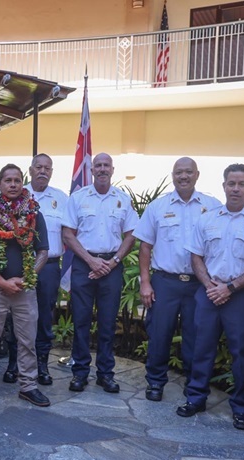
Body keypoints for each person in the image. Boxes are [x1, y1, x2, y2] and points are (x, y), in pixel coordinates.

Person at [178, 164, 244, 429]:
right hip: (208, 293)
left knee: (241, 353)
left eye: (241, 184)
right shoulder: (208, 218)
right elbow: (196, 255)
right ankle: (196, 398)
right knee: (201, 348)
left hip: (241, 296)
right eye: (231, 184)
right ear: (224, 186)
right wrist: (209, 285)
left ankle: (240, 407)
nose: (236, 189)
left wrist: (230, 288)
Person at [134, 157, 222, 402]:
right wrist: (145, 281)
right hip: (166, 281)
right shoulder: (158, 207)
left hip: (199, 283)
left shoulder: (213, 206)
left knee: (196, 336)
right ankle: (155, 382)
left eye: (188, 172)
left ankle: (193, 385)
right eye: (179, 172)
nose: (184, 176)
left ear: (197, 175)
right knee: (159, 334)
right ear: (173, 175)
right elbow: (145, 247)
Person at [0, 164, 50, 409]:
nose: (13, 184)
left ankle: (28, 386)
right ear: (0, 184)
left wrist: (28, 277)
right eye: (8, 180)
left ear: (21, 183)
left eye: (17, 180)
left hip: (25, 288)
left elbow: (43, 251)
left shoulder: (33, 213)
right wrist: (1, 280)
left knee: (27, 340)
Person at [62, 153, 138, 394]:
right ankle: (80, 373)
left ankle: (106, 374)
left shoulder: (123, 200)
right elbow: (67, 234)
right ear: (92, 170)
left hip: (112, 267)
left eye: (107, 165)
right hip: (85, 265)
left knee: (107, 323)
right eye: (98, 165)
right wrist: (91, 261)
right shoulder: (78, 198)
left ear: (112, 170)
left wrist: (113, 262)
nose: (102, 169)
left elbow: (132, 235)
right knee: (82, 321)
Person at [4, 154, 70, 386]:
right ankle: (14, 364)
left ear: (52, 172)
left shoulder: (61, 199)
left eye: (47, 168)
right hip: (18, 267)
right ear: (30, 171)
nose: (43, 171)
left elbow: (70, 234)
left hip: (49, 268)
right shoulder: (16, 196)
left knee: (43, 318)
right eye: (38, 167)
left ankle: (41, 365)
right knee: (16, 316)